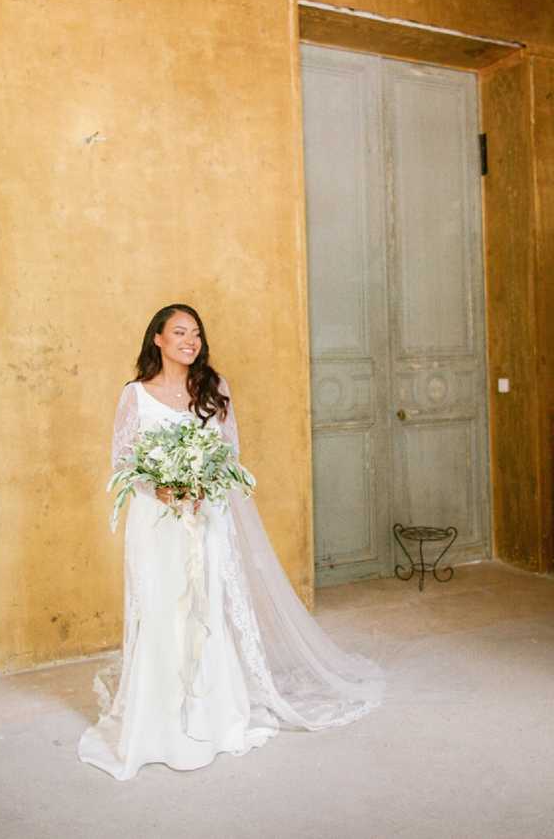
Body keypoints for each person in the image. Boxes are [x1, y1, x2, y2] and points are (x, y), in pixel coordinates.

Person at [77, 303, 385, 780]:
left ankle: (213, 715)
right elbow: (123, 463)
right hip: (155, 523)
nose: (190, 341)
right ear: (157, 339)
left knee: (208, 607)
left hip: (205, 516)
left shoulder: (213, 389)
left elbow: (229, 455)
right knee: (160, 611)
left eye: (196, 333)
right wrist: (157, 485)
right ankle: (156, 721)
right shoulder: (135, 395)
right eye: (179, 332)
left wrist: (201, 485)